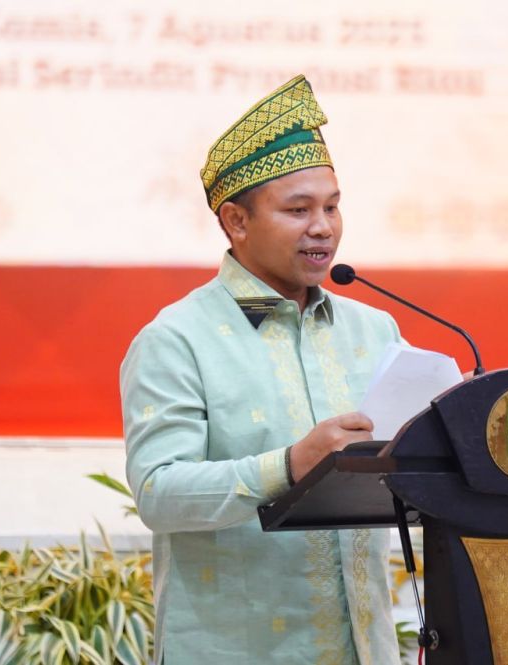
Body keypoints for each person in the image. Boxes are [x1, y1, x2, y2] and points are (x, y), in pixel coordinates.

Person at [120, 75, 403, 665]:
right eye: (298, 210)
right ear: (236, 221)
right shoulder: (176, 339)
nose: (323, 227)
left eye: (332, 206)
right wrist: (290, 465)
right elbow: (157, 493)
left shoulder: (375, 331)